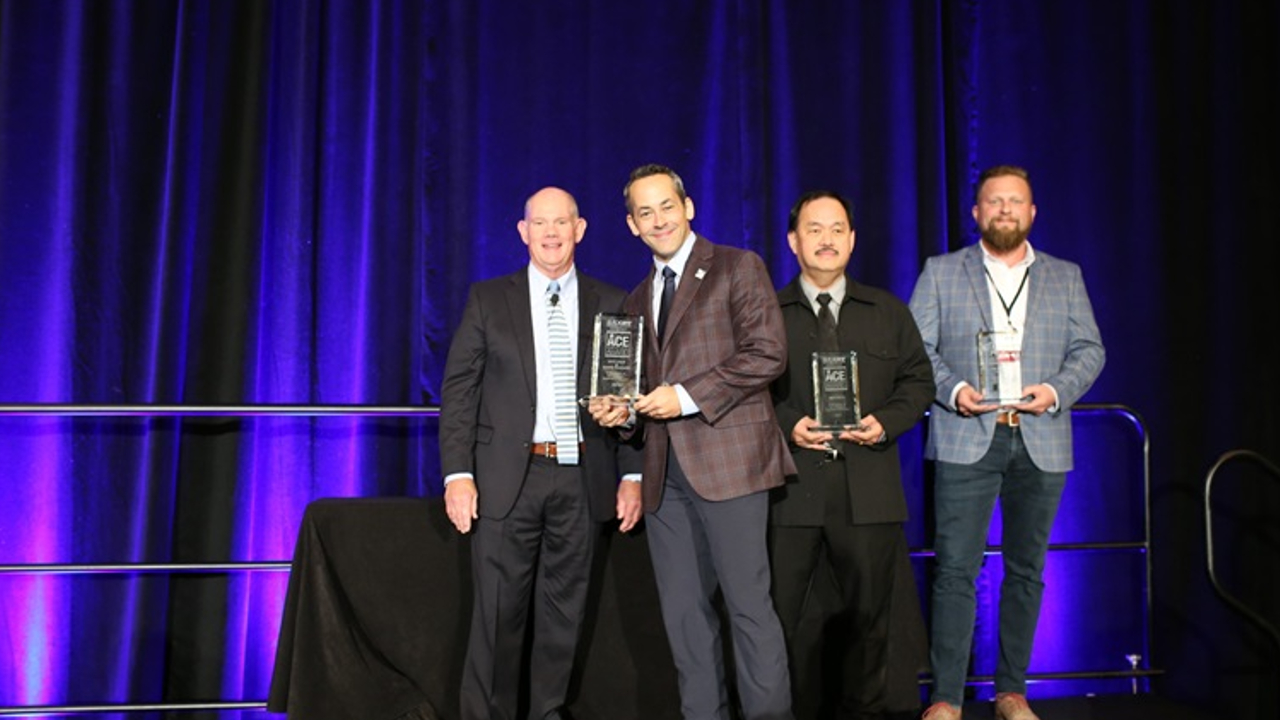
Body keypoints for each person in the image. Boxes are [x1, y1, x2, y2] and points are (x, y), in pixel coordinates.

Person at [590, 164, 795, 720]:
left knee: (749, 609)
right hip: (665, 479)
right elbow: (639, 399)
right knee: (684, 618)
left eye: (666, 206)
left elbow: (768, 354)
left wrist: (683, 397)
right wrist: (620, 412)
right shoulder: (634, 301)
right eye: (644, 212)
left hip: (731, 465)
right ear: (631, 225)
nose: (658, 220)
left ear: (689, 208)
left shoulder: (736, 267)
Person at [908, 166, 1105, 720]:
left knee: (1027, 570)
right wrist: (954, 390)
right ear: (976, 212)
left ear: (1032, 212)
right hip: (967, 435)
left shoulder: (1065, 276)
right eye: (993, 201)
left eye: (1014, 201)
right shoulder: (942, 272)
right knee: (954, 571)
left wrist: (1055, 390)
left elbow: (1091, 350)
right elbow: (917, 348)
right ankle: (946, 696)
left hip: (1040, 438)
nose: (1004, 210)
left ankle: (1011, 692)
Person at [439, 187, 644, 720]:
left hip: (583, 478)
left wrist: (633, 474)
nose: (551, 233)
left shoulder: (614, 301)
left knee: (564, 617)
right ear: (523, 231)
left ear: (580, 229)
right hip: (509, 479)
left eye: (562, 222)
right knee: (496, 618)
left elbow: (627, 394)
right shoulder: (488, 299)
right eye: (540, 223)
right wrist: (458, 473)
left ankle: (547, 712)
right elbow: (459, 392)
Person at [769, 191, 935, 720]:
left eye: (837, 229)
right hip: (792, 491)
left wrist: (885, 421)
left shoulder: (886, 310)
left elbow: (919, 381)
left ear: (853, 239)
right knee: (784, 619)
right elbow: (749, 391)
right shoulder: (766, 313)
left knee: (870, 623)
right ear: (793, 240)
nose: (826, 240)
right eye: (814, 229)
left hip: (869, 489)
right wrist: (786, 424)